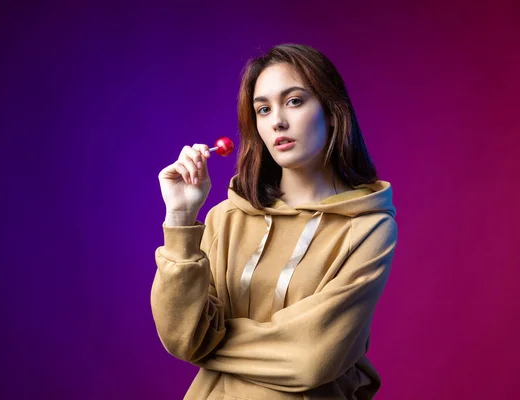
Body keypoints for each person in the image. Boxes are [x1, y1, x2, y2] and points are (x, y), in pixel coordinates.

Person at [152, 43, 398, 400]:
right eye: (263, 109)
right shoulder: (226, 219)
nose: (277, 121)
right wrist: (180, 218)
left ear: (331, 110)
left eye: (294, 101)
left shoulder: (367, 227)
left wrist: (211, 341)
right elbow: (182, 337)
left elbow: (311, 358)